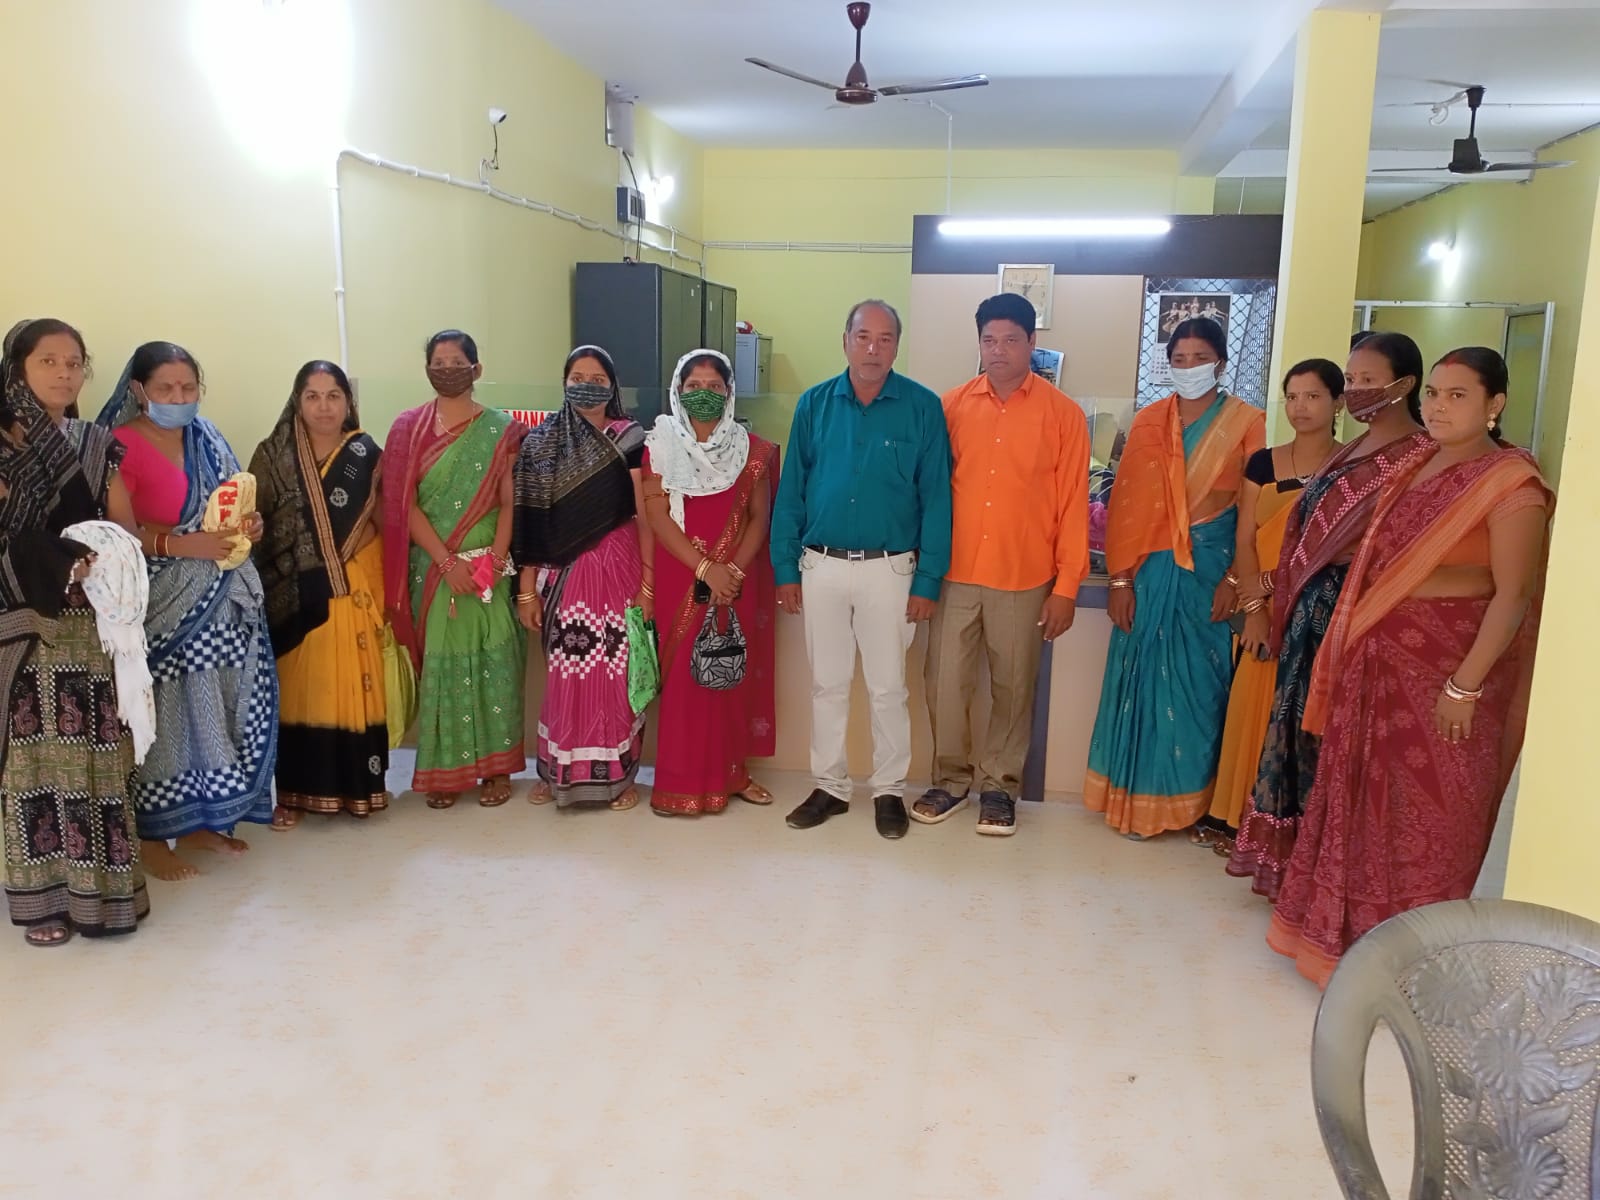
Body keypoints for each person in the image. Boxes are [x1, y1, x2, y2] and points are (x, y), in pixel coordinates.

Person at [1268, 348, 1551, 987]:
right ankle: (1349, 944)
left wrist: (1464, 685)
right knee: (1365, 809)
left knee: (1439, 816)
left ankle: (1426, 960)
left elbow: (1512, 597)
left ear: (1495, 404)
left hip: (1448, 677)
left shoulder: (1511, 484)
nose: (1440, 407)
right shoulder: (1413, 465)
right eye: (1435, 395)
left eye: (1458, 395)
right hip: (1377, 668)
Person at [1227, 333, 1433, 897]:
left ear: (1405, 384)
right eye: (1354, 378)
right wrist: (1260, 600)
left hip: (1365, 615)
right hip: (1307, 614)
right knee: (1298, 736)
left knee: (1348, 741)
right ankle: (1296, 867)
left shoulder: (1422, 455)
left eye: (1368, 380)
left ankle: (1339, 872)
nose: (1359, 389)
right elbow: (1292, 537)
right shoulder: (1351, 454)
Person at [770, 300, 952, 839]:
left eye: (885, 338)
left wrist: (928, 579)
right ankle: (829, 787)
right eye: (863, 336)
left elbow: (936, 498)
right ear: (845, 340)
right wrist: (785, 568)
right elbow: (792, 490)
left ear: (897, 345)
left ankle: (889, 790)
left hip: (890, 570)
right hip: (820, 565)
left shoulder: (922, 407)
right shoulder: (814, 404)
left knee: (888, 688)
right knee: (826, 685)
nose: (873, 348)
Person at [95, 341, 276, 881]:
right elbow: (117, 534)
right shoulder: (119, 445)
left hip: (221, 601)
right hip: (161, 602)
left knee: (214, 706)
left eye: (188, 387)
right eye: (166, 388)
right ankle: (152, 835)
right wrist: (181, 545)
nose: (179, 398)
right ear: (138, 390)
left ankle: (201, 821)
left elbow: (232, 506)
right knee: (164, 715)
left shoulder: (208, 436)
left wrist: (250, 525)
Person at [1083, 317, 1266, 839]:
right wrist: (1120, 581)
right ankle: (1136, 802)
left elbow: (1252, 511)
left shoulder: (1246, 422)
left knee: (1199, 689)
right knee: (1140, 682)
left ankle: (1191, 803)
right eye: (1179, 359)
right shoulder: (1149, 422)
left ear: (1221, 363)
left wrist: (1235, 579)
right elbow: (1126, 508)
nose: (1189, 368)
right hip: (1149, 572)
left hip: (1210, 571)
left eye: (1199, 358)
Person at [915, 294, 1088, 836]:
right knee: (944, 683)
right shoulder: (949, 407)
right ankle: (949, 780)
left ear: (1032, 343)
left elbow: (1073, 505)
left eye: (1011, 340)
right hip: (954, 573)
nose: (999, 351)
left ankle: (999, 788)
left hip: (1024, 575)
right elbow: (928, 492)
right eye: (989, 340)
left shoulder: (1063, 415)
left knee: (1014, 688)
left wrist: (1067, 586)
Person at [1, 319, 147, 945]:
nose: (64, 373)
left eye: (73, 362)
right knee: (37, 766)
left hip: (91, 626)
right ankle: (42, 902)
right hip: (26, 626)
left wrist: (110, 555)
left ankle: (103, 897)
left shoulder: (95, 442)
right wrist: (61, 560)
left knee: (96, 757)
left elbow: (124, 528)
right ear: (17, 370)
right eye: (48, 361)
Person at [1194, 360, 1342, 855]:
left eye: (1314, 396)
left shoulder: (1348, 469)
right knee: (1250, 709)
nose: (1301, 407)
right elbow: (1245, 539)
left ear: (1338, 403)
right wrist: (1256, 610)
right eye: (1293, 396)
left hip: (1319, 611)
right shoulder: (1262, 464)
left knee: (1303, 718)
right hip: (1263, 609)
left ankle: (1291, 831)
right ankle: (1235, 820)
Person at [382, 330, 527, 809]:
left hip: (489, 568)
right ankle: (445, 771)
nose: (447, 370)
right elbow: (403, 504)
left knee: (494, 662)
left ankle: (497, 769)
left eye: (456, 362)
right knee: (443, 667)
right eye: (438, 363)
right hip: (434, 568)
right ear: (427, 370)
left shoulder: (502, 430)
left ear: (476, 369)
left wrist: (496, 561)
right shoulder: (408, 429)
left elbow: (509, 501)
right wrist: (446, 563)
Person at [639, 349, 779, 817]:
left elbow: (759, 517)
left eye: (714, 387)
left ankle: (732, 776)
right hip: (682, 577)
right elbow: (657, 515)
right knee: (685, 682)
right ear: (678, 391)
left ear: (729, 392)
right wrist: (705, 570)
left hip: (735, 583)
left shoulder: (751, 450)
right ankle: (678, 785)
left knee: (727, 675)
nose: (704, 395)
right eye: (694, 387)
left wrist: (731, 572)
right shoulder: (660, 444)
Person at [511, 345, 651, 810]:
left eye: (597, 378)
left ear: (612, 386)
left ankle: (620, 778)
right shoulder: (539, 443)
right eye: (578, 377)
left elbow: (644, 512)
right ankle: (555, 772)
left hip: (617, 569)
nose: (587, 385)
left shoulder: (629, 438)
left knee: (613, 673)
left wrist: (648, 584)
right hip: (561, 576)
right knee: (565, 675)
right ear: (564, 382)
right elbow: (530, 520)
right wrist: (526, 589)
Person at [250, 360, 387, 827]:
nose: (324, 407)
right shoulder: (272, 455)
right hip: (292, 595)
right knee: (300, 692)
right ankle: (292, 793)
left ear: (348, 402)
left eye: (333, 396)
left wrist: (350, 549)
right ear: (297, 401)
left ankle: (358, 789)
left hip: (349, 589)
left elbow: (385, 520)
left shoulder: (365, 453)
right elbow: (258, 524)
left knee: (348, 686)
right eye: (313, 396)